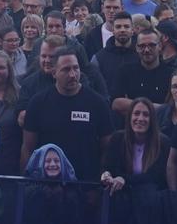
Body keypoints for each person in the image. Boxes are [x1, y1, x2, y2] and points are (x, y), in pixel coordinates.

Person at [20, 50, 112, 183]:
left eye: (76, 68)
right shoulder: (38, 103)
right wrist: (26, 184)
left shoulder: (97, 103)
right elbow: (28, 148)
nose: (73, 74)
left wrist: (100, 182)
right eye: (66, 70)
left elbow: (107, 148)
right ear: (54, 73)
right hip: (47, 186)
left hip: (86, 185)